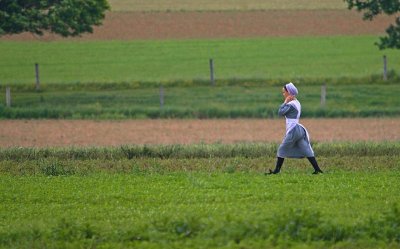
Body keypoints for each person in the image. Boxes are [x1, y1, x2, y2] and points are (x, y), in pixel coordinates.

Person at [268, 82, 323, 175]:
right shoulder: (297, 102)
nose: (283, 94)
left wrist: (285, 102)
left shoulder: (291, 105)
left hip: (294, 130)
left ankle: (277, 170)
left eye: (284, 92)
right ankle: (317, 169)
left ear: (288, 93)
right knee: (306, 149)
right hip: (299, 129)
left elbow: (280, 112)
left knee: (281, 149)